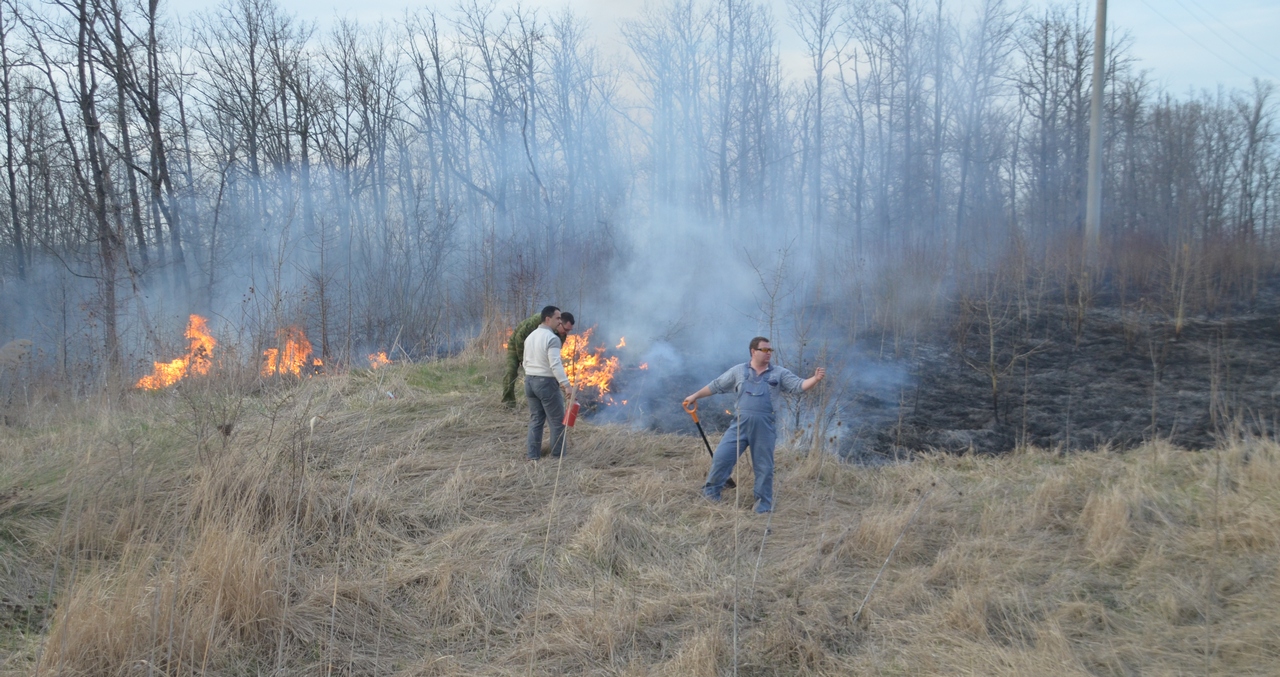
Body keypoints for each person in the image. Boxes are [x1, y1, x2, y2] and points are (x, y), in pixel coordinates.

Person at [683, 337, 825, 513]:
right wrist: (695, 396)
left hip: (765, 427)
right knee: (721, 457)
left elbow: (799, 386)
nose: (768, 353)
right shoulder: (738, 371)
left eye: (770, 350)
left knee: (764, 467)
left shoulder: (779, 373)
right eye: (764, 350)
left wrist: (815, 379)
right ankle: (710, 494)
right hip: (740, 424)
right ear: (753, 351)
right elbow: (716, 386)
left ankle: (762, 506)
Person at [523, 306, 572, 460]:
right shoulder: (552, 338)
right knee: (558, 422)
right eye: (557, 318)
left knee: (536, 421)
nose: (560, 321)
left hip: (529, 381)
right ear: (547, 319)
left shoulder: (530, 336)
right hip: (546, 383)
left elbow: (525, 361)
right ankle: (557, 458)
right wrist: (566, 385)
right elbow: (555, 364)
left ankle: (532, 457)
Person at [503, 311, 574, 407]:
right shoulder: (539, 320)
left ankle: (547, 399)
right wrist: (524, 360)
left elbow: (554, 357)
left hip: (537, 347)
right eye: (566, 329)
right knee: (511, 371)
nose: (566, 333)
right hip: (517, 344)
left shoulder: (562, 334)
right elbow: (519, 337)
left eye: (569, 331)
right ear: (559, 322)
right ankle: (508, 402)